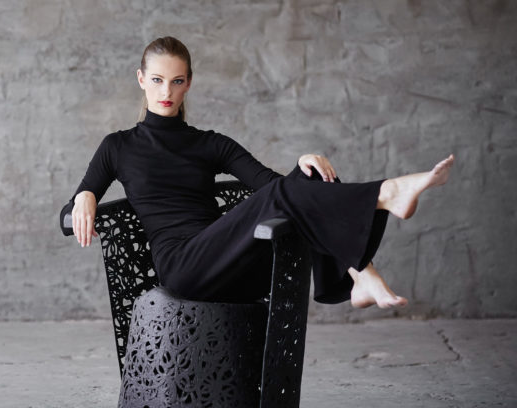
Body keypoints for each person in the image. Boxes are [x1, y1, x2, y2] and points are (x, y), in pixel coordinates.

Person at [60, 36, 454, 309]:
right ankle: (378, 216)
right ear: (141, 80)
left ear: (189, 85)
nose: (167, 91)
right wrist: (85, 195)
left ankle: (358, 272)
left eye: (177, 81)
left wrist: (302, 163)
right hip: (184, 268)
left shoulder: (210, 143)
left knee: (308, 177)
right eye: (158, 80)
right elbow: (77, 202)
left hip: (236, 263)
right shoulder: (119, 145)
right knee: (287, 194)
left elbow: (274, 187)